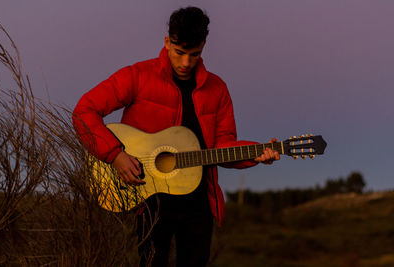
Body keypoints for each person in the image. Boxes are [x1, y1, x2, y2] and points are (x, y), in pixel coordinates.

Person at [73, 6, 280, 267]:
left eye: (194, 55)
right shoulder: (137, 76)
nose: (186, 63)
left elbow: (223, 146)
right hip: (149, 199)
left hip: (199, 204)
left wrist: (256, 154)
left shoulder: (218, 89)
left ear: (204, 46)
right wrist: (115, 155)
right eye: (179, 52)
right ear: (167, 42)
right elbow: (84, 111)